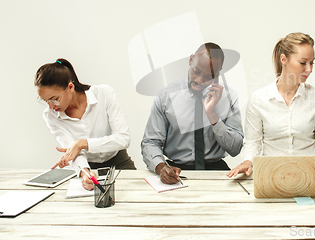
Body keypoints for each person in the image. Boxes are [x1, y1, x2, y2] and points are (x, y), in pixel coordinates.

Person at [227, 33, 315, 187]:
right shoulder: (259, 99)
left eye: (312, 63)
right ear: (283, 59)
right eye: (303, 63)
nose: (309, 69)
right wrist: (247, 162)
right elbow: (253, 143)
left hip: (310, 176)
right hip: (271, 176)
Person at [141, 42, 243, 184]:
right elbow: (150, 142)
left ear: (218, 74)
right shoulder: (166, 95)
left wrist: (212, 114)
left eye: (208, 76)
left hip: (215, 169)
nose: (199, 80)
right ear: (190, 60)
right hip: (177, 169)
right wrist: (161, 167)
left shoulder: (229, 97)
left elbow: (235, 148)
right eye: (197, 71)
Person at [35, 59, 136, 190]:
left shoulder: (103, 94)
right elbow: (73, 153)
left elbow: (123, 139)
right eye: (45, 100)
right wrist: (84, 173)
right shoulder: (50, 115)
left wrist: (82, 143)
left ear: (70, 87)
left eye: (54, 99)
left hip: (119, 163)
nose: (50, 106)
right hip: (89, 168)